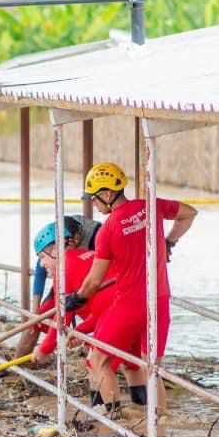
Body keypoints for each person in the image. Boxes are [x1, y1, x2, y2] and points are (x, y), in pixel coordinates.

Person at [66, 162, 197, 423]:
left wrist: (75, 298)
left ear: (106, 194)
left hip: (129, 304)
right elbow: (190, 213)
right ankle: (159, 430)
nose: (94, 206)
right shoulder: (151, 206)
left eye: (94, 199)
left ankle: (114, 424)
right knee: (153, 369)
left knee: (97, 360)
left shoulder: (108, 229)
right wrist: (169, 241)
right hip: (159, 301)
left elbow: (94, 280)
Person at [19, 220, 114, 370]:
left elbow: (62, 317)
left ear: (56, 249)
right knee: (135, 368)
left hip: (114, 316)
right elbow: (103, 308)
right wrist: (79, 332)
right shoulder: (84, 255)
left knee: (97, 367)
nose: (42, 264)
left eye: (42, 257)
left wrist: (44, 349)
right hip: (128, 308)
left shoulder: (63, 270)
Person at [30, 214, 100, 312]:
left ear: (79, 235)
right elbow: (40, 273)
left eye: (75, 242)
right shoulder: (55, 236)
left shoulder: (97, 235)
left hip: (94, 277)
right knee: (46, 308)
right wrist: (35, 309)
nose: (72, 245)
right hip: (68, 273)